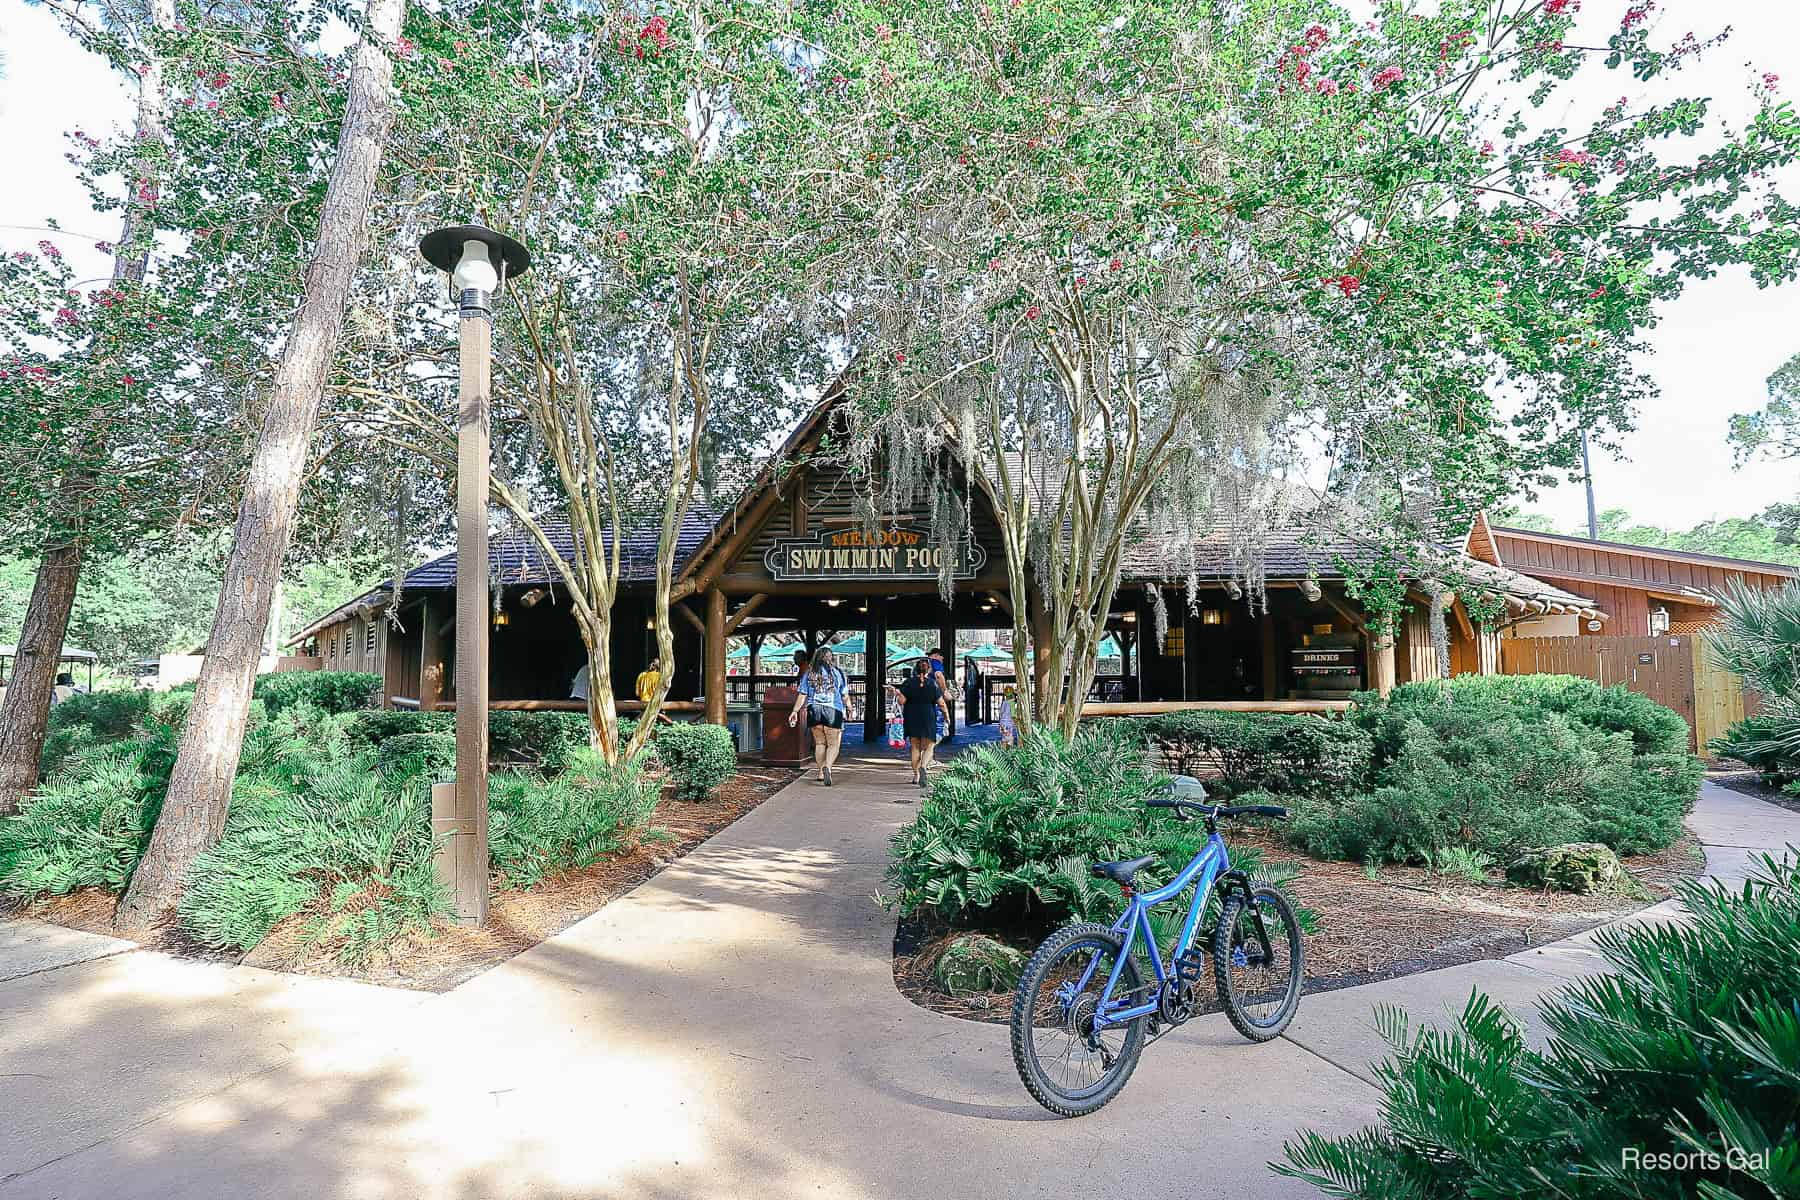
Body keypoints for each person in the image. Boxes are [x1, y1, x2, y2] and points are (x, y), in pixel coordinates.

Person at [787, 646, 848, 786]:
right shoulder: (837, 673)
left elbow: (803, 694)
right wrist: (850, 708)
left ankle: (820, 772)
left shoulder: (809, 673)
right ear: (830, 658)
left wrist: (794, 711)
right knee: (833, 744)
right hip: (833, 710)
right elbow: (844, 695)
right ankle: (828, 767)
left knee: (820, 743)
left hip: (814, 709)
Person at [889, 657, 950, 791]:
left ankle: (916, 775)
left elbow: (901, 702)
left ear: (915, 669)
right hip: (928, 716)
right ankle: (923, 766)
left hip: (912, 716)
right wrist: (947, 717)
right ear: (929, 669)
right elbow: (941, 704)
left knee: (915, 746)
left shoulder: (908, 683)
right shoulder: (933, 684)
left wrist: (896, 693)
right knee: (930, 745)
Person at [927, 647, 951, 742]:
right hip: (934, 696)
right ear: (936, 655)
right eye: (941, 656)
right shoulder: (935, 662)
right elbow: (938, 675)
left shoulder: (922, 664)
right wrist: (945, 690)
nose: (943, 658)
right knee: (937, 726)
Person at [962, 655, 983, 725]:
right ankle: (973, 718)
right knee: (973, 705)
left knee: (971, 705)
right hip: (973, 689)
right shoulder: (973, 668)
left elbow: (970, 680)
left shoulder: (970, 668)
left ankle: (972, 718)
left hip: (971, 689)